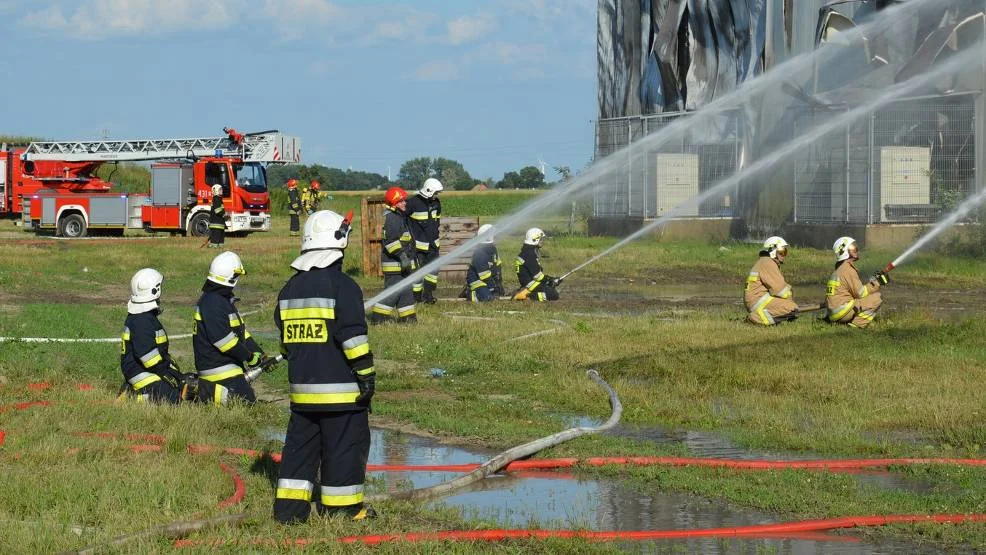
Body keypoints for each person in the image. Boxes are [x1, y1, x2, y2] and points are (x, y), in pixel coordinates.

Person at [273, 210, 377, 523]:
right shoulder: (343, 286)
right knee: (345, 448)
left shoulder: (289, 289)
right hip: (341, 395)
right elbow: (353, 338)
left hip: (302, 395)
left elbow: (285, 342)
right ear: (339, 242)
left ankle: (289, 513)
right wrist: (367, 376)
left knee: (300, 452)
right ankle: (342, 510)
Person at [192, 251, 269, 404]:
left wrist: (261, 356)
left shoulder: (223, 301)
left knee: (247, 401)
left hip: (229, 367)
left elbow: (242, 335)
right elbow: (224, 342)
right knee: (243, 402)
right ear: (232, 277)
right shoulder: (213, 303)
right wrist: (250, 358)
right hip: (217, 370)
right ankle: (202, 390)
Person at [119, 269, 196, 404]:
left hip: (148, 370)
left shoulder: (143, 316)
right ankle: (132, 397)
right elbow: (148, 358)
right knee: (172, 399)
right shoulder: (141, 320)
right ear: (155, 291)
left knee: (187, 384)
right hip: (140, 373)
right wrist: (168, 376)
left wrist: (177, 375)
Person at [370, 186, 417, 324]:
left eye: (404, 201)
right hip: (394, 265)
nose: (405, 203)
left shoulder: (399, 217)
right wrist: (402, 257)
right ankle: (378, 319)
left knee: (406, 292)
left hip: (403, 266)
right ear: (393, 203)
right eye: (401, 201)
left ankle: (408, 319)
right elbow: (391, 242)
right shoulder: (392, 219)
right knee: (392, 293)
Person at [825, 236, 887, 329]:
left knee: (867, 298)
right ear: (845, 252)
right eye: (853, 248)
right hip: (841, 312)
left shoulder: (841, 269)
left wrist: (873, 281)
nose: (856, 250)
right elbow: (861, 293)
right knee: (877, 297)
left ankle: (849, 320)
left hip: (834, 313)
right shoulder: (847, 269)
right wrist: (878, 283)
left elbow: (852, 291)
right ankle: (857, 325)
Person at [744, 236, 799, 325]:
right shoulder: (768, 263)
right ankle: (755, 318)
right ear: (773, 251)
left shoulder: (764, 261)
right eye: (782, 252)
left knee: (789, 307)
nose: (784, 256)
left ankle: (765, 319)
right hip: (758, 302)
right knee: (792, 308)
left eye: (785, 252)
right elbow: (780, 290)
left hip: (756, 300)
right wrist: (790, 296)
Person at [406, 178, 443, 303]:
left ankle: (428, 295)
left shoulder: (436, 203)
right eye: (435, 193)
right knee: (417, 273)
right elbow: (403, 221)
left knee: (432, 272)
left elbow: (436, 222)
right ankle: (416, 298)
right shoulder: (412, 203)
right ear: (429, 191)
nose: (437, 195)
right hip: (418, 247)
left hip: (433, 245)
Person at [513, 227, 560, 301]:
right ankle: (527, 295)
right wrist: (550, 280)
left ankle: (526, 293)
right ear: (535, 239)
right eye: (541, 239)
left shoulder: (529, 251)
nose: (542, 241)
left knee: (551, 288)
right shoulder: (529, 254)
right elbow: (538, 276)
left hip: (531, 282)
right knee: (553, 295)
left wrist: (551, 281)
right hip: (530, 284)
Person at [465, 224, 503, 302]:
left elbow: (497, 263)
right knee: (487, 297)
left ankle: (489, 291)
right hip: (477, 281)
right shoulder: (480, 254)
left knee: (498, 293)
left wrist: (498, 280)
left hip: (488, 279)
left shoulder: (492, 249)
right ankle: (469, 293)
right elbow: (484, 276)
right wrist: (493, 287)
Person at [208, 183, 226, 248]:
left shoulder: (219, 199)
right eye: (220, 189)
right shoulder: (216, 199)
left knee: (221, 236)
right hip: (216, 223)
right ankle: (213, 246)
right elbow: (217, 211)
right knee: (216, 235)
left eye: (221, 189)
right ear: (215, 191)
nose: (222, 191)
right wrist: (224, 214)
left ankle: (220, 247)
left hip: (219, 222)